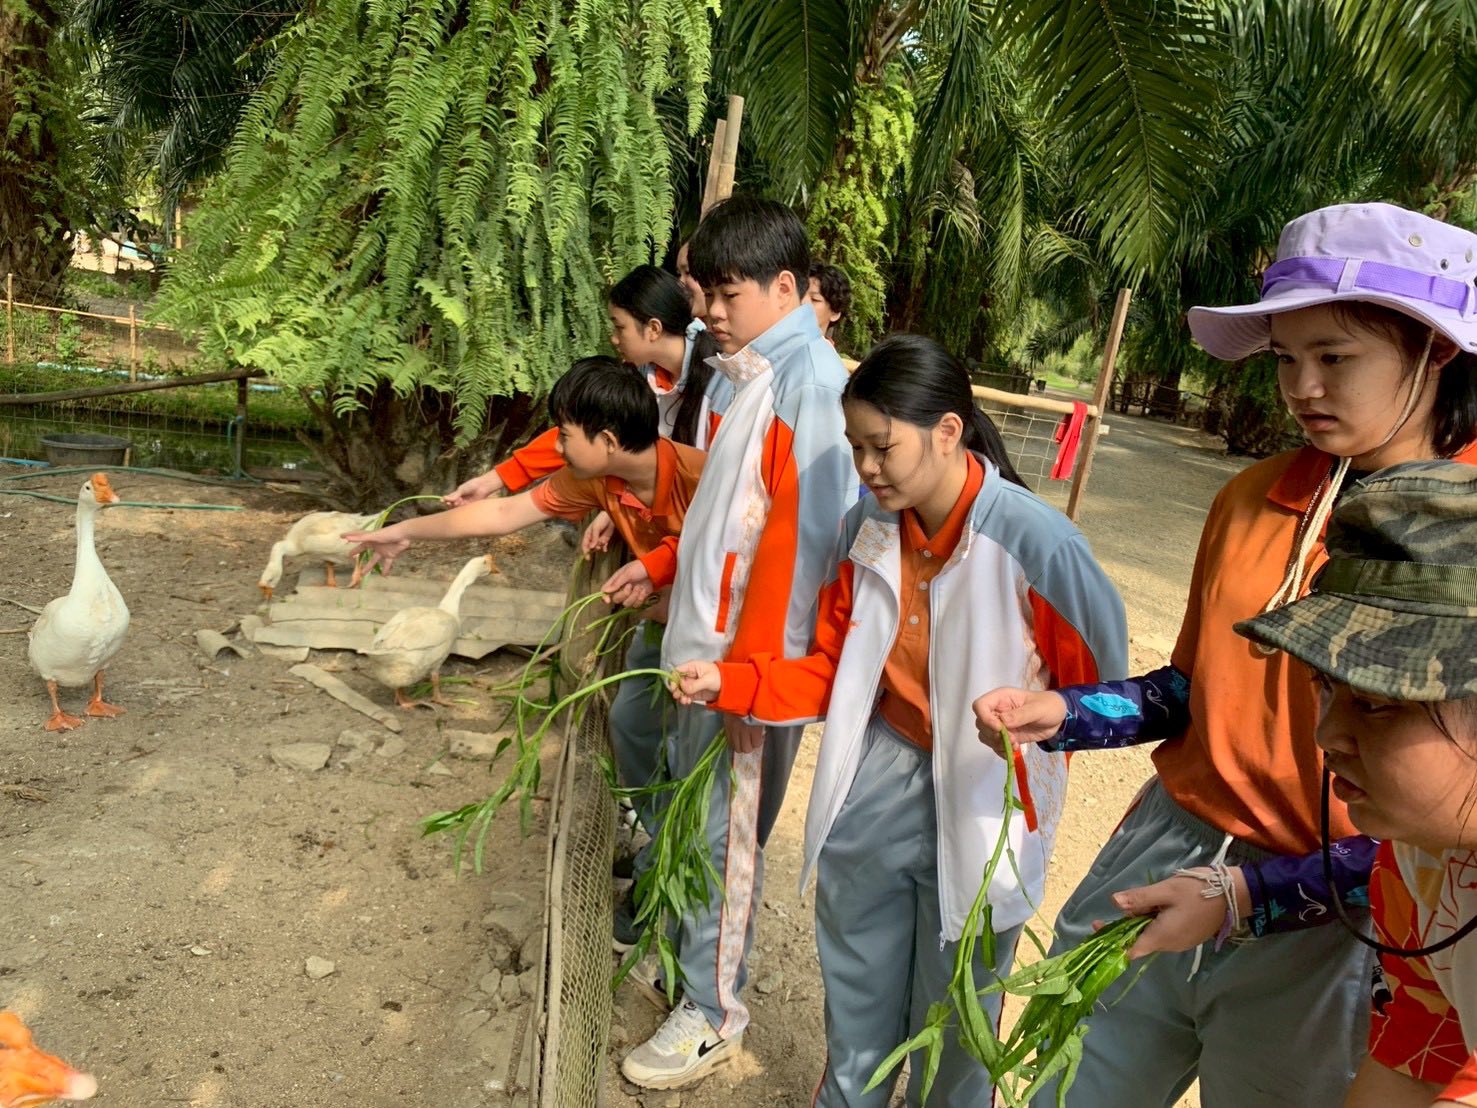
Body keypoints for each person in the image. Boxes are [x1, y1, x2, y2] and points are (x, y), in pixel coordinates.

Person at [974, 201, 1477, 1107]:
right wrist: (1070, 714)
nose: (1301, 388)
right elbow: (1192, 688)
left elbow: (1446, 819)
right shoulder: (1250, 499)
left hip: (1348, 896)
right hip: (1169, 843)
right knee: (1067, 1084)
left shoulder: (1461, 549)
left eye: (1334, 358)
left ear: (1434, 349)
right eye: (1284, 358)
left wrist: (1253, 894)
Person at [672, 334, 1128, 1106]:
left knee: (958, 1009)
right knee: (857, 979)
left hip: (985, 786)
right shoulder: (870, 526)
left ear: (947, 431)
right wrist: (732, 681)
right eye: (854, 448)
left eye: (880, 447)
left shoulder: (1036, 544)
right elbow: (833, 665)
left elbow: (1106, 690)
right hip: (881, 767)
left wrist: (1045, 721)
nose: (865, 467)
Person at [610, 195, 857, 1090]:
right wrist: (664, 566)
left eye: (726, 292)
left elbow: (808, 557)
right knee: (694, 819)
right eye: (703, 292)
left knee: (725, 840)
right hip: (702, 655)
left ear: (785, 286)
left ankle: (713, 1014)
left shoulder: (810, 391)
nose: (708, 310)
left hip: (742, 674)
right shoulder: (748, 376)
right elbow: (727, 518)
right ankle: (687, 970)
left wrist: (752, 681)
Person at [1231, 461, 1477, 1108]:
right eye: (1324, 687)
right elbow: (1418, 1047)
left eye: (1376, 703)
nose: (1327, 735)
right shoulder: (1417, 861)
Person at [342, 357, 702, 609]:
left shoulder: (702, 477)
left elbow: (722, 546)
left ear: (608, 441)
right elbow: (503, 513)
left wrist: (656, 568)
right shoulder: (597, 480)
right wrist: (404, 531)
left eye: (564, 435)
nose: (557, 448)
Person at [444, 264, 717, 509]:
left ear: (653, 329)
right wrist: (493, 480)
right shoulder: (644, 374)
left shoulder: (721, 386)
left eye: (619, 327)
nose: (613, 338)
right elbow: (581, 430)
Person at [807, 261, 851, 344]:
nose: (803, 302)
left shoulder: (824, 352)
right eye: (800, 296)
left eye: (814, 299)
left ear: (835, 313)